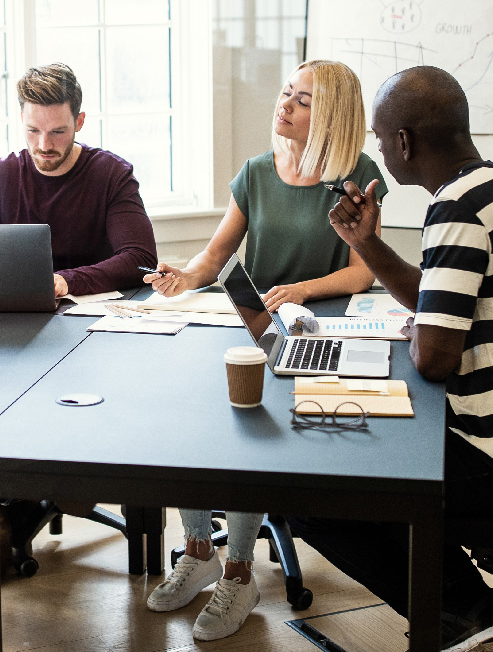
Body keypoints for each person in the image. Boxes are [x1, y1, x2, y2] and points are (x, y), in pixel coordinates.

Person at [143, 60, 388, 642]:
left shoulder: (358, 173)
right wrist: (184, 276)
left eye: (302, 100)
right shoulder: (256, 171)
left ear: (330, 115)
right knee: (198, 419)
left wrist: (301, 289)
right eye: (286, 93)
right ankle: (199, 551)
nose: (284, 105)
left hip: (319, 333)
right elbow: (215, 255)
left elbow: (361, 273)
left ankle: (239, 572)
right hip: (253, 324)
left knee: (249, 439)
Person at [288, 65, 493, 652]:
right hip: (488, 437)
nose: (378, 148)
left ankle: (464, 608)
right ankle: (463, 608)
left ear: (403, 141)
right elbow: (436, 300)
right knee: (360, 443)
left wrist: (416, 335)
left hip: (487, 454)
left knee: (314, 490)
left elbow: (432, 358)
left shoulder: (455, 208)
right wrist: (367, 244)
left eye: (380, 137)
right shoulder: (487, 188)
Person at [0, 63, 157, 296]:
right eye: (33, 130)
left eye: (57, 132)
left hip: (96, 317)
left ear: (79, 122)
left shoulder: (112, 175)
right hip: (18, 314)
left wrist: (66, 280)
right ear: (22, 119)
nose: (44, 145)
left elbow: (142, 260)